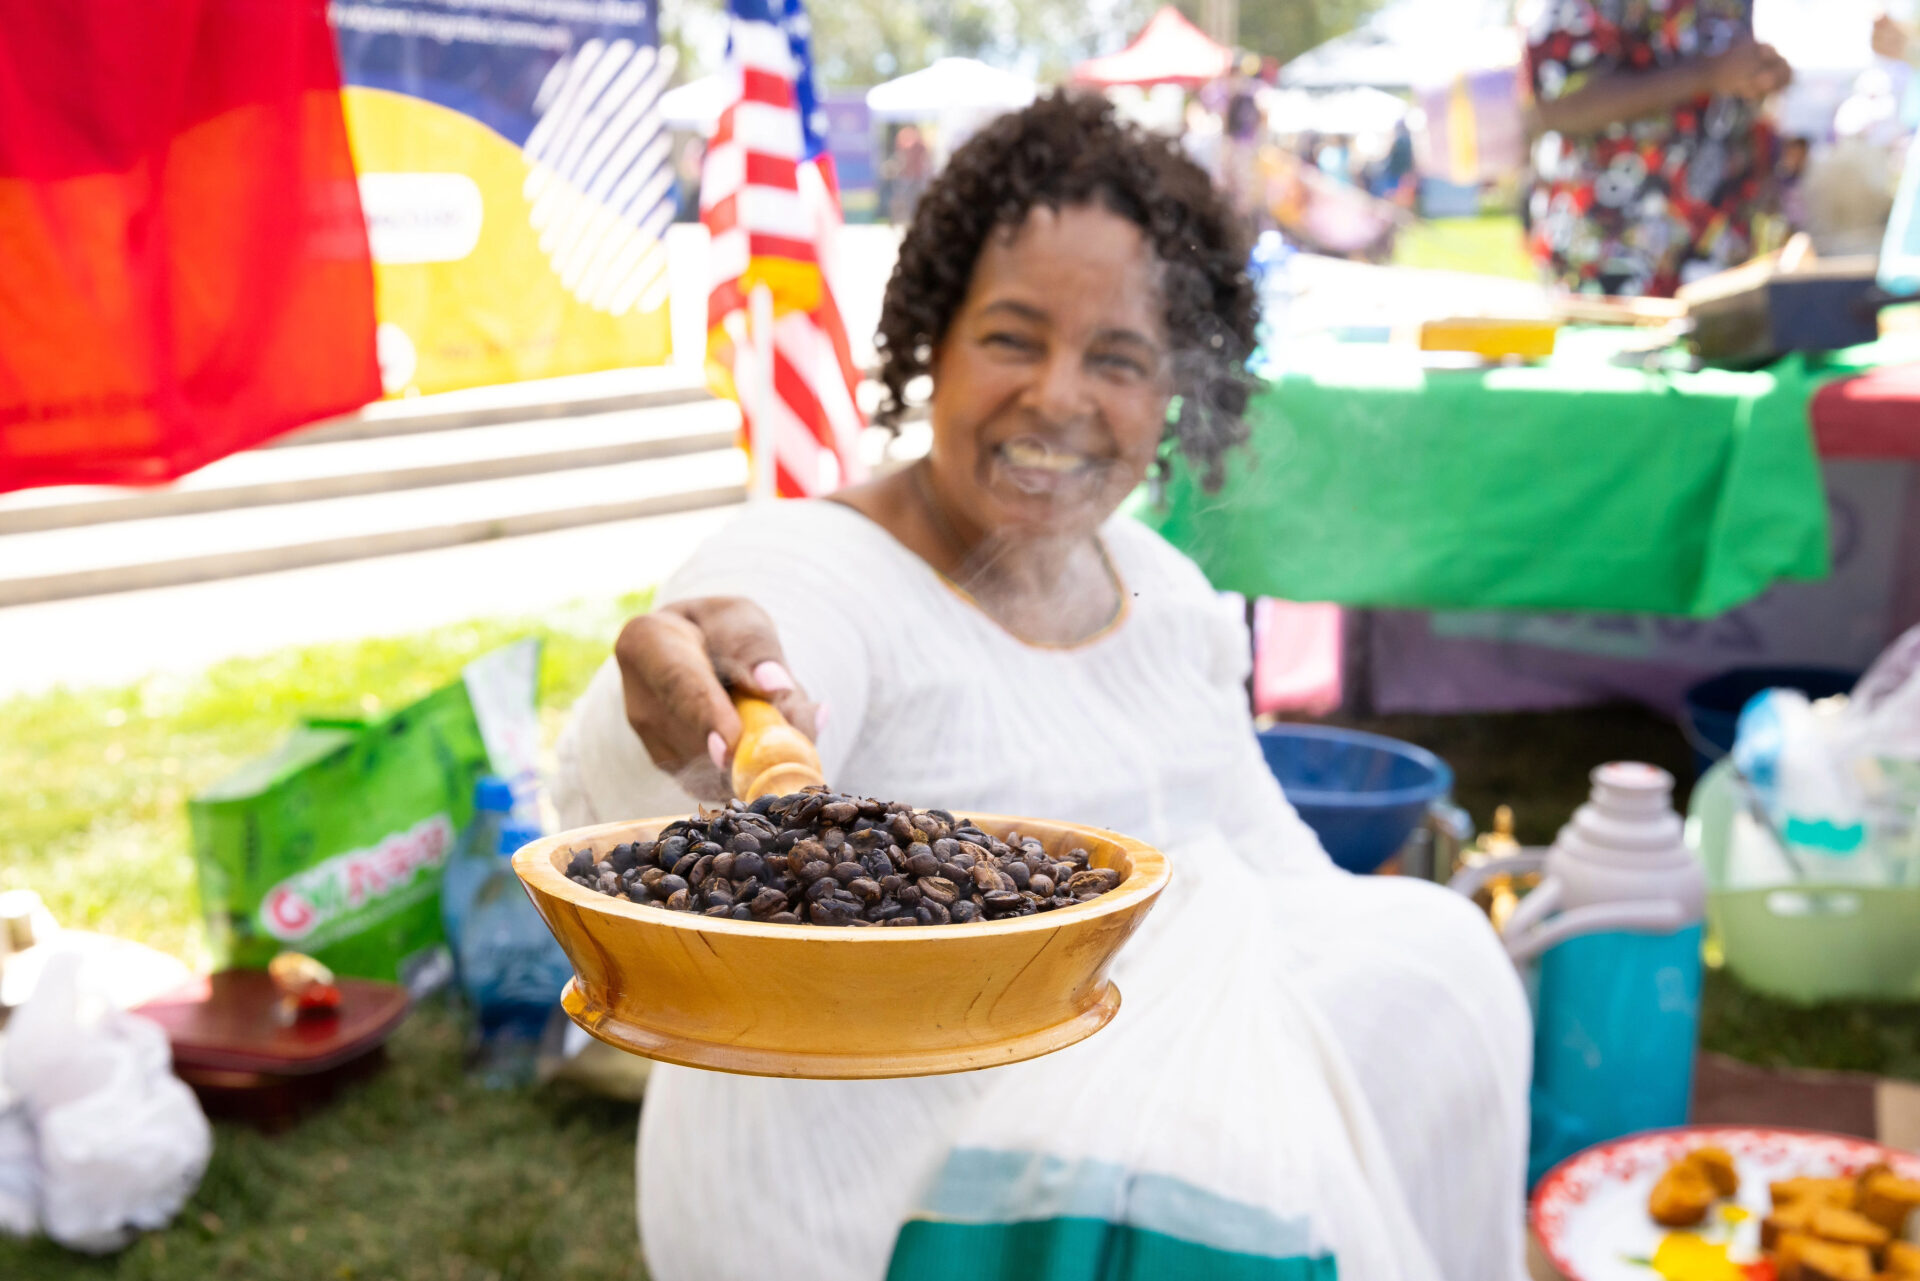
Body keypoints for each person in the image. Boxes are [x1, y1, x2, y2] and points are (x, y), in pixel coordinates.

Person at [555, 93, 1530, 1281]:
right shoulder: (815, 565)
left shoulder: (1159, 585)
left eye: (1117, 358)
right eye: (1014, 338)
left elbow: (1252, 848)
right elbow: (657, 768)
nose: (1060, 398)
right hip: (867, 1189)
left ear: (1175, 391)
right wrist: (685, 702)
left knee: (1432, 958)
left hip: (1144, 1110)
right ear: (934, 342)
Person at [1520, 0, 1793, 296]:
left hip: (1717, 262)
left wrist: (1765, 75)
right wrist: (1707, 74)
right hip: (1611, 268)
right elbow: (1555, 105)